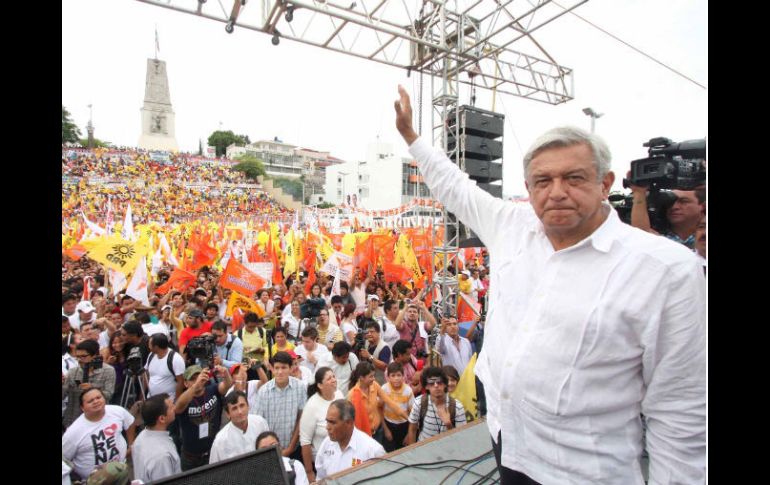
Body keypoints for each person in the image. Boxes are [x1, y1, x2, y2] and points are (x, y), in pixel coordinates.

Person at [395, 85, 706, 484]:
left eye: (573, 178)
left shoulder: (666, 271)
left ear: (604, 182)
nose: (556, 192)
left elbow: (681, 414)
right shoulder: (511, 226)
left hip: (581, 471)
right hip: (506, 441)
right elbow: (456, 188)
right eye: (542, 181)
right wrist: (411, 137)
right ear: (529, 189)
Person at [62, 388, 136, 481]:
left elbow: (130, 422)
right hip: (94, 481)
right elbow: (64, 459)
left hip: (121, 472)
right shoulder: (73, 432)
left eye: (98, 397)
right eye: (90, 401)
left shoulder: (117, 411)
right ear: (82, 407)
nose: (96, 401)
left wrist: (131, 445)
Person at [174, 364, 233, 470]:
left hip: (212, 451)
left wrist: (226, 374)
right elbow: (177, 407)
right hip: (191, 457)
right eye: (193, 379)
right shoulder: (185, 399)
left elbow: (227, 385)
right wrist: (195, 387)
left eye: (199, 377)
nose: (197, 381)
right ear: (186, 383)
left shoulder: (212, 389)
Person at [314, 399, 385, 480]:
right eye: (327, 421)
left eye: (332, 422)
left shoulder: (373, 450)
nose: (327, 427)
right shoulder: (326, 444)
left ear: (349, 423)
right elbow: (321, 478)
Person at [255, 351, 308, 460]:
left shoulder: (300, 387)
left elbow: (301, 418)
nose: (280, 372)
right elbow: (258, 424)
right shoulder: (264, 392)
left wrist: (290, 447)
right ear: (272, 368)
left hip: (294, 448)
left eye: (284, 368)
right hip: (270, 452)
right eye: (277, 368)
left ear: (290, 368)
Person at [299, 367, 345, 482]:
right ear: (320, 385)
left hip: (343, 458)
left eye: (334, 376)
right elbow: (305, 442)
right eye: (329, 378)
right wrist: (309, 473)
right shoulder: (311, 406)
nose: (334, 380)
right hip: (323, 464)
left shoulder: (339, 395)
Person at [347, 361, 408, 442]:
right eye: (371, 376)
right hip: (363, 436)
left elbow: (389, 402)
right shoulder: (352, 395)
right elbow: (351, 419)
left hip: (378, 432)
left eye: (374, 375)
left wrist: (408, 418)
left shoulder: (374, 385)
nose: (374, 379)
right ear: (361, 378)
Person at [62, 339, 117, 428]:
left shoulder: (108, 371)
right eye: (77, 357)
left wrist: (92, 389)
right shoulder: (73, 372)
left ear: (95, 355)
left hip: (99, 420)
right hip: (73, 420)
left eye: (83, 356)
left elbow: (109, 394)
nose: (79, 360)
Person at [629, 184, 703, 249]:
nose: (674, 207)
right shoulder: (658, 238)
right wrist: (639, 193)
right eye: (669, 202)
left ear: (703, 205)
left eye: (683, 201)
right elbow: (641, 234)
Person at [406, 366, 466, 444]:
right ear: (426, 386)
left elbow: (461, 438)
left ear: (445, 384)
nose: (436, 386)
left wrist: (448, 424)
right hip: (424, 450)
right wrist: (413, 452)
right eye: (431, 383)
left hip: (448, 450)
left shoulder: (457, 407)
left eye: (439, 382)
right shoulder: (419, 402)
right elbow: (412, 429)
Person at [131, 393, 182, 483]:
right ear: (162, 419)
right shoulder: (162, 457)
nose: (175, 407)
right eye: (171, 407)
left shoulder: (140, 437)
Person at [209, 391, 270, 464]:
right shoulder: (220, 441)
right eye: (234, 408)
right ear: (228, 414)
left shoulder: (260, 423)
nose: (240, 412)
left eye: (242, 405)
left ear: (248, 406)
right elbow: (214, 470)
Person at [381, 362, 415, 453]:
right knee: (388, 452)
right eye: (393, 375)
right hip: (388, 424)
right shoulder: (384, 389)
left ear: (403, 376)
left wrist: (409, 434)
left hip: (404, 426)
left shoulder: (408, 391)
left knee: (403, 452)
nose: (396, 378)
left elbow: (413, 415)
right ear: (388, 377)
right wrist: (386, 430)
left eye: (399, 375)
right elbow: (379, 409)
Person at [144, 333, 185, 401]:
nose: (148, 347)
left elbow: (180, 381)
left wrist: (177, 402)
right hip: (151, 400)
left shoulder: (175, 359)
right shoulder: (151, 355)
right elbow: (146, 374)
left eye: (150, 345)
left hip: (168, 402)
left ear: (156, 347)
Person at [358, 319, 391, 384]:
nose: (369, 334)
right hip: (367, 382)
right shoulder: (365, 342)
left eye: (372, 332)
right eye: (367, 332)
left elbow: (384, 366)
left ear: (378, 333)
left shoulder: (384, 347)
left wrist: (369, 356)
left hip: (380, 382)